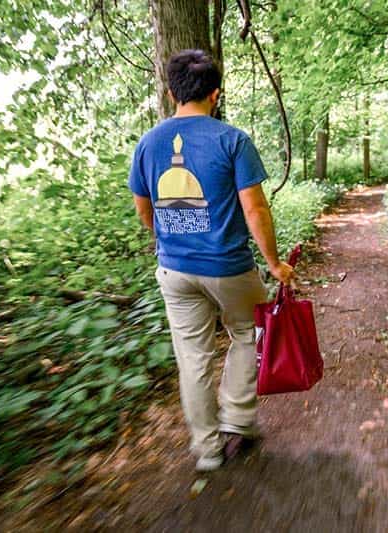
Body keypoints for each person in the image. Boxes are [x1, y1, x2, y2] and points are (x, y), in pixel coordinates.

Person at [128, 49, 294, 471]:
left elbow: (144, 209)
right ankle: (237, 418)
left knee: (193, 357)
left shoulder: (148, 144)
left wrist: (169, 239)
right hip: (229, 267)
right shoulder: (232, 140)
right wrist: (274, 263)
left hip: (175, 270)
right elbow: (255, 209)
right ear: (215, 95)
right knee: (249, 331)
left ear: (171, 94)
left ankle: (206, 449)